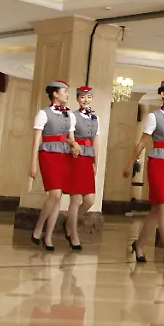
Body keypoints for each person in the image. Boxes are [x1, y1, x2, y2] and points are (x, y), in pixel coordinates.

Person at [123, 80, 164, 270]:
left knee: (157, 210)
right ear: (162, 94)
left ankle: (139, 245)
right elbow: (142, 143)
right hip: (158, 164)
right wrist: (130, 164)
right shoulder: (154, 116)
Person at [30, 80, 77, 251]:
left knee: (58, 197)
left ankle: (48, 237)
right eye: (65, 91)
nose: (67, 94)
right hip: (48, 155)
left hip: (64, 156)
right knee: (55, 194)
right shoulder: (43, 114)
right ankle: (39, 227)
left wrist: (74, 146)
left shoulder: (70, 115)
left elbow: (70, 138)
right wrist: (33, 163)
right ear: (55, 94)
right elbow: (36, 140)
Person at [64, 86, 100, 251]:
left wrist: (96, 162)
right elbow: (70, 137)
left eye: (89, 97)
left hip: (88, 158)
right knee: (76, 199)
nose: (86, 100)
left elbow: (96, 141)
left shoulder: (95, 118)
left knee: (89, 200)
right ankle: (74, 234)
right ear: (78, 99)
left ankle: (70, 223)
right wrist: (74, 146)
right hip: (76, 157)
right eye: (83, 97)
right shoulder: (72, 116)